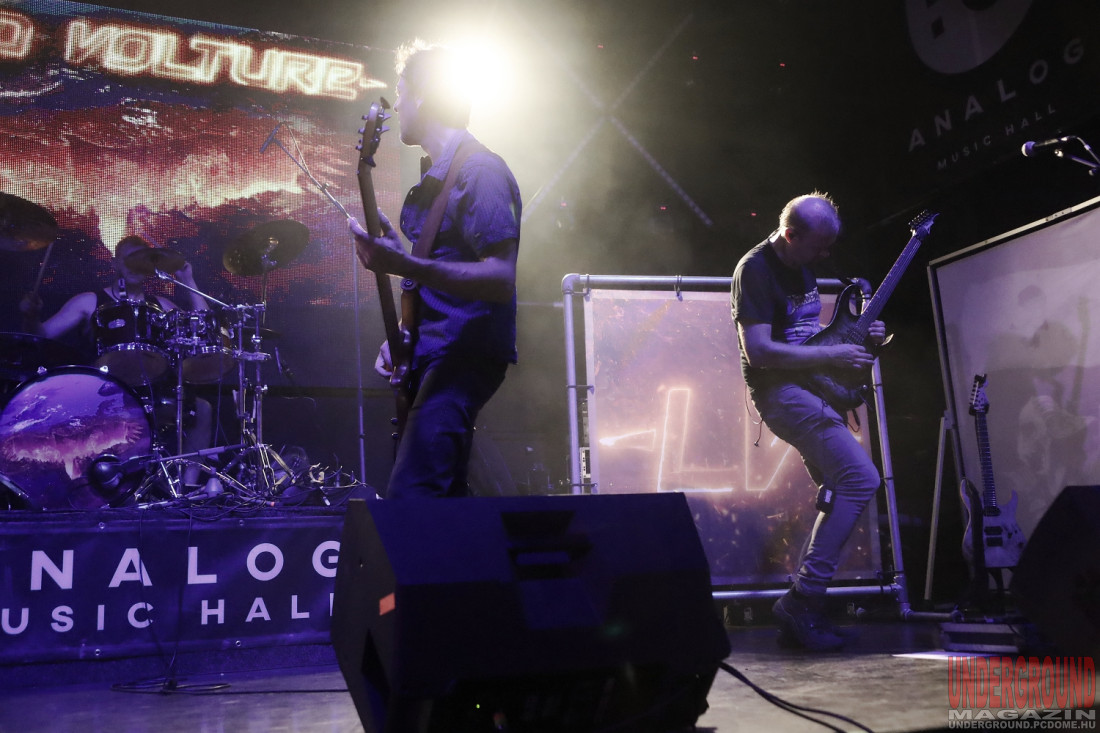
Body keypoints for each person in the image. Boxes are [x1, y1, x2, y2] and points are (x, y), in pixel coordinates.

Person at [348, 41, 521, 499]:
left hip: (463, 355)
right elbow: (440, 275)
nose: (398, 103)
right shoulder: (439, 177)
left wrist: (403, 262)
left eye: (401, 91)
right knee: (446, 498)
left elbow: (500, 278)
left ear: (423, 94)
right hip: (438, 351)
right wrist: (406, 338)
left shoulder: (480, 170)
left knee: (413, 494)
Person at [730, 192, 886, 651]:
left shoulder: (801, 262)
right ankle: (802, 600)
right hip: (781, 394)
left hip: (811, 388)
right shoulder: (755, 270)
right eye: (818, 246)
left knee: (840, 490)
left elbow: (806, 335)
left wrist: (861, 334)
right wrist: (834, 356)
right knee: (861, 479)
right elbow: (759, 352)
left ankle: (804, 605)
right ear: (790, 234)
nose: (824, 256)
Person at [20, 235, 215, 485]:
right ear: (115, 263)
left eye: (142, 260)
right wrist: (31, 316)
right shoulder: (90, 301)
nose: (135, 266)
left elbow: (203, 328)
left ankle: (187, 486)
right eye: (129, 259)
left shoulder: (161, 305)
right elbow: (42, 335)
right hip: (102, 395)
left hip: (151, 392)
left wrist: (188, 280)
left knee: (202, 408)